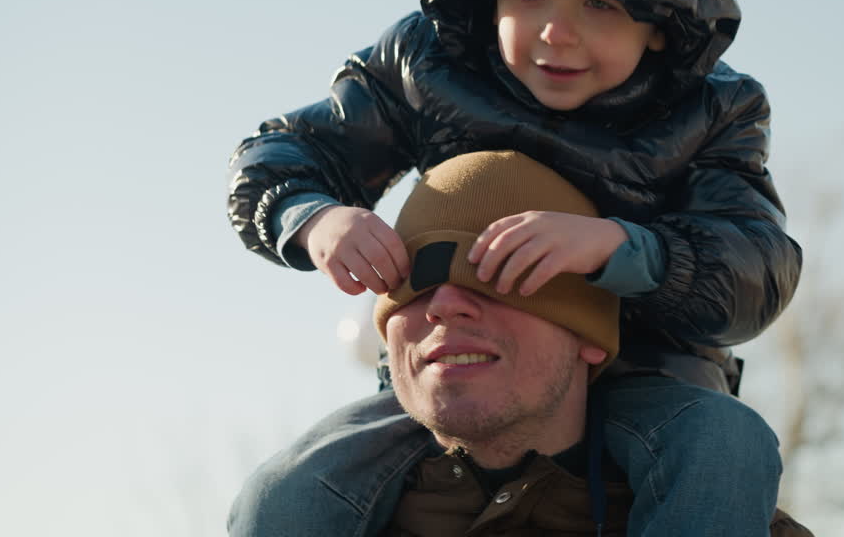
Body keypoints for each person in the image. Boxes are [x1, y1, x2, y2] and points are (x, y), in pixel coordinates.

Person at [226, 0, 805, 532]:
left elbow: (757, 264)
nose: (556, 33)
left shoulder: (711, 109)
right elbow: (283, 152)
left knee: (729, 444)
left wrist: (617, 247)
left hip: (651, 374)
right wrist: (315, 217)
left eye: (600, 5)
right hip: (463, 364)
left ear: (660, 23)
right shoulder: (431, 65)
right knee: (284, 493)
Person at [228, 151, 812, 536]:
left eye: (497, 273)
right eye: (410, 280)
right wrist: (306, 214)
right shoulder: (312, 508)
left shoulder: (720, 504)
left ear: (589, 335)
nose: (444, 303)